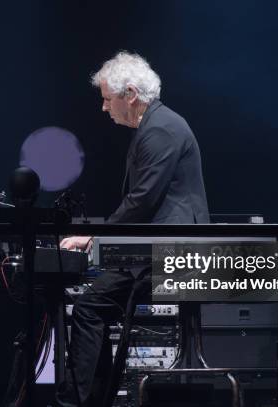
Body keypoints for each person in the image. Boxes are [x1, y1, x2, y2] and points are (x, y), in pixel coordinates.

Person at [56, 51, 209, 407]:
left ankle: (79, 401)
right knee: (92, 305)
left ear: (130, 95)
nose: (104, 108)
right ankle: (91, 398)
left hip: (174, 256)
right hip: (161, 249)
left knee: (91, 306)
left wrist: (96, 238)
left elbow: (142, 200)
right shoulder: (156, 126)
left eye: (108, 99)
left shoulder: (160, 130)